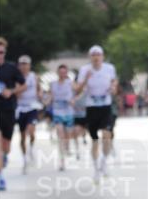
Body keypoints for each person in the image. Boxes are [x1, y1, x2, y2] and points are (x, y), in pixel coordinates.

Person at [74, 45, 118, 179]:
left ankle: (104, 161)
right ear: (90, 57)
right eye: (93, 55)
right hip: (91, 106)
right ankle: (96, 169)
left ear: (102, 56)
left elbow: (114, 83)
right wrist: (86, 79)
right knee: (94, 140)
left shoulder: (109, 68)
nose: (96, 58)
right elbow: (77, 90)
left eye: (98, 55)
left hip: (105, 106)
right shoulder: (84, 70)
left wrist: (113, 87)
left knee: (107, 135)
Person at [0, 37, 26, 191]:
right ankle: (1, 178)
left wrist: (11, 91)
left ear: (5, 52)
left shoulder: (11, 68)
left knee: (6, 145)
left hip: (8, 109)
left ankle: (5, 155)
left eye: (0, 52)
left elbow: (24, 85)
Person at [16, 55, 42, 171]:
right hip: (21, 108)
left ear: (29, 65)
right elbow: (16, 93)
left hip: (32, 107)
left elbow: (39, 89)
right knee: (22, 136)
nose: (24, 66)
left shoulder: (33, 76)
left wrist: (40, 94)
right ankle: (24, 158)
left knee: (31, 130)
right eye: (22, 64)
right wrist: (20, 89)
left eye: (25, 64)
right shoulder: (16, 77)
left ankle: (31, 148)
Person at [49, 64, 75, 171]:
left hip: (68, 112)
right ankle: (62, 161)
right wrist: (47, 101)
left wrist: (73, 100)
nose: (62, 74)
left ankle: (67, 147)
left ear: (67, 73)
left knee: (67, 135)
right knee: (60, 136)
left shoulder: (70, 83)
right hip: (57, 112)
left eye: (64, 72)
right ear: (58, 73)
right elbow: (51, 96)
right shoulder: (53, 84)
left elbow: (79, 91)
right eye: (61, 72)